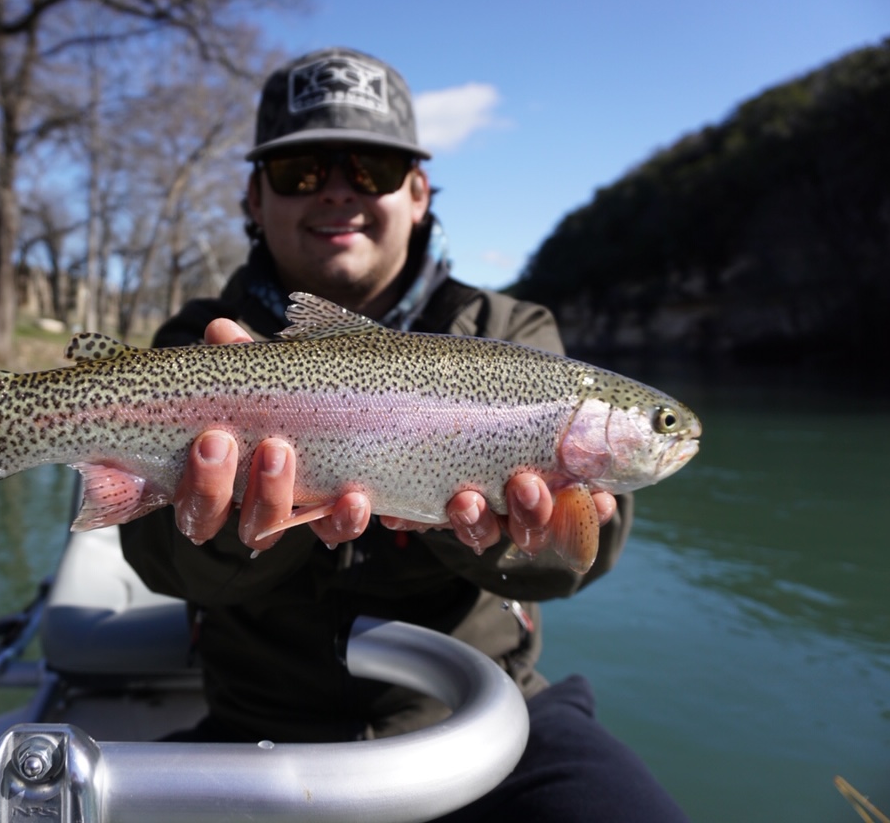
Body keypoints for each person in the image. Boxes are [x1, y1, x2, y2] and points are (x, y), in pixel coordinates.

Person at [118, 47, 688, 821]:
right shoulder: (200, 343)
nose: (340, 194)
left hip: (484, 719)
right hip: (259, 737)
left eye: (372, 170)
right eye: (301, 174)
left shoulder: (511, 333)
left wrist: (500, 536)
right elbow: (154, 559)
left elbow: (567, 567)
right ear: (255, 197)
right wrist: (241, 523)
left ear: (417, 192)